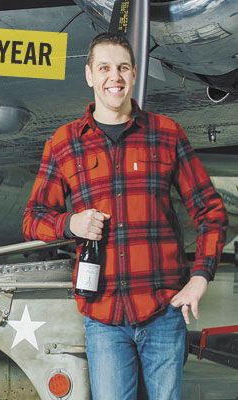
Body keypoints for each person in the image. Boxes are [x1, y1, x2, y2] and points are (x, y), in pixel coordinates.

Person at [22, 32, 227, 400]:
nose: (113, 77)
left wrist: (200, 277)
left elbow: (210, 209)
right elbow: (33, 217)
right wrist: (69, 223)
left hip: (163, 311)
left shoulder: (166, 134)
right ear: (89, 75)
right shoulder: (64, 143)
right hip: (104, 319)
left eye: (122, 68)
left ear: (134, 75)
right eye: (104, 68)